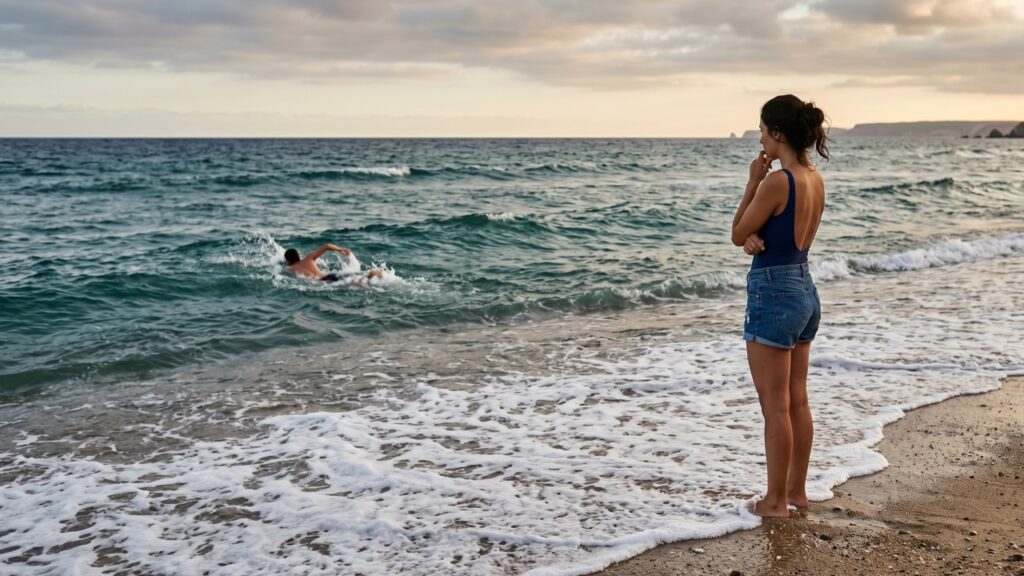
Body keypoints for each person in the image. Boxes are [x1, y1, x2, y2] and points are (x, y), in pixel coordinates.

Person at [731, 94, 829, 518]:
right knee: (797, 400)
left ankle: (774, 503)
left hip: (774, 292)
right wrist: (757, 239)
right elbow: (780, 234)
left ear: (777, 134)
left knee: (775, 406)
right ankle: (797, 493)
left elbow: (737, 232)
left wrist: (753, 180)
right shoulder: (814, 177)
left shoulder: (777, 181)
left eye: (762, 130)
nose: (760, 138)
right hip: (804, 287)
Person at [283, 243, 383, 284]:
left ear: (288, 261)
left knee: (353, 283)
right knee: (353, 277)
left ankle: (369, 277)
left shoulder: (290, 269)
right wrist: (340, 250)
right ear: (298, 256)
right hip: (330, 275)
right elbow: (327, 246)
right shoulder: (308, 258)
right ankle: (371, 274)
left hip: (323, 282)